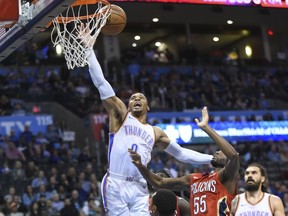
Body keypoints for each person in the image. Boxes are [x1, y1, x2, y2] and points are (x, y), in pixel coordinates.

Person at [79, 24, 212, 216]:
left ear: (148, 106)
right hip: (116, 182)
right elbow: (101, 83)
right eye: (132, 97)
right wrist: (89, 50)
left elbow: (181, 153)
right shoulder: (120, 116)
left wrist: (211, 159)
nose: (136, 99)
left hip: (140, 186)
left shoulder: (155, 132)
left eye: (141, 97)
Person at [129, 106, 240, 216]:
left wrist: (206, 128)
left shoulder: (226, 178)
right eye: (218, 150)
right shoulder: (194, 179)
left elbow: (234, 156)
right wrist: (141, 166)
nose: (217, 152)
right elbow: (160, 182)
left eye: (222, 152)